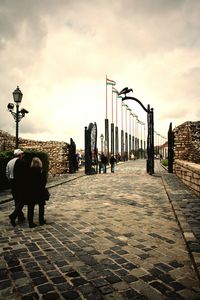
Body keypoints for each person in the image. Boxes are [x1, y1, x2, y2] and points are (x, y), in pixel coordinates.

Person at [6, 149, 28, 226]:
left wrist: (10, 181)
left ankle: (20, 216)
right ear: (20, 155)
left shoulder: (9, 162)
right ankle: (13, 215)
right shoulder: (21, 162)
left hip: (12, 183)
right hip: (20, 183)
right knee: (22, 200)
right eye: (22, 154)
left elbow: (7, 173)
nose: (23, 156)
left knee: (16, 200)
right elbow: (24, 175)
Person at [27, 157, 47, 228]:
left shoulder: (29, 171)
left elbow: (27, 182)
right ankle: (41, 220)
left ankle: (30, 222)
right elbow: (44, 182)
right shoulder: (41, 171)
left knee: (30, 207)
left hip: (31, 191)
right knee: (41, 206)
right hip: (40, 190)